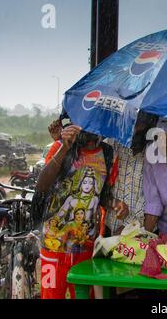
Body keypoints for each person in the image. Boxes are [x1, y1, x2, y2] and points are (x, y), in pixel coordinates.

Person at [33, 124, 114, 299]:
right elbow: (41, 185)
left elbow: (101, 195)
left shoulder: (107, 153)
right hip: (54, 246)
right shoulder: (60, 146)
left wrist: (115, 203)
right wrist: (64, 146)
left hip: (85, 248)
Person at [105, 112, 157, 235]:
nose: (135, 130)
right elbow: (101, 190)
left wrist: (125, 229)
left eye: (141, 125)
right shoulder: (112, 146)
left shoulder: (154, 154)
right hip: (109, 227)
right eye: (133, 125)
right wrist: (113, 202)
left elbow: (152, 199)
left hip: (139, 232)